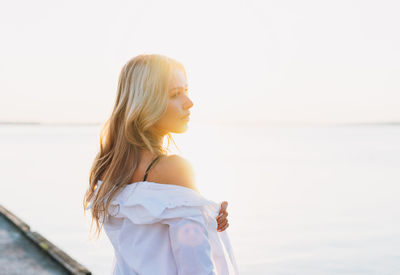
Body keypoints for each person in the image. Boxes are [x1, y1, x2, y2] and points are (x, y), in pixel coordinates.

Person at [83, 54, 239, 274]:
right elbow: (196, 267)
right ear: (146, 103)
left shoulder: (109, 166)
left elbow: (139, 248)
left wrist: (206, 215)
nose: (189, 102)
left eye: (186, 90)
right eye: (176, 94)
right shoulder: (174, 169)